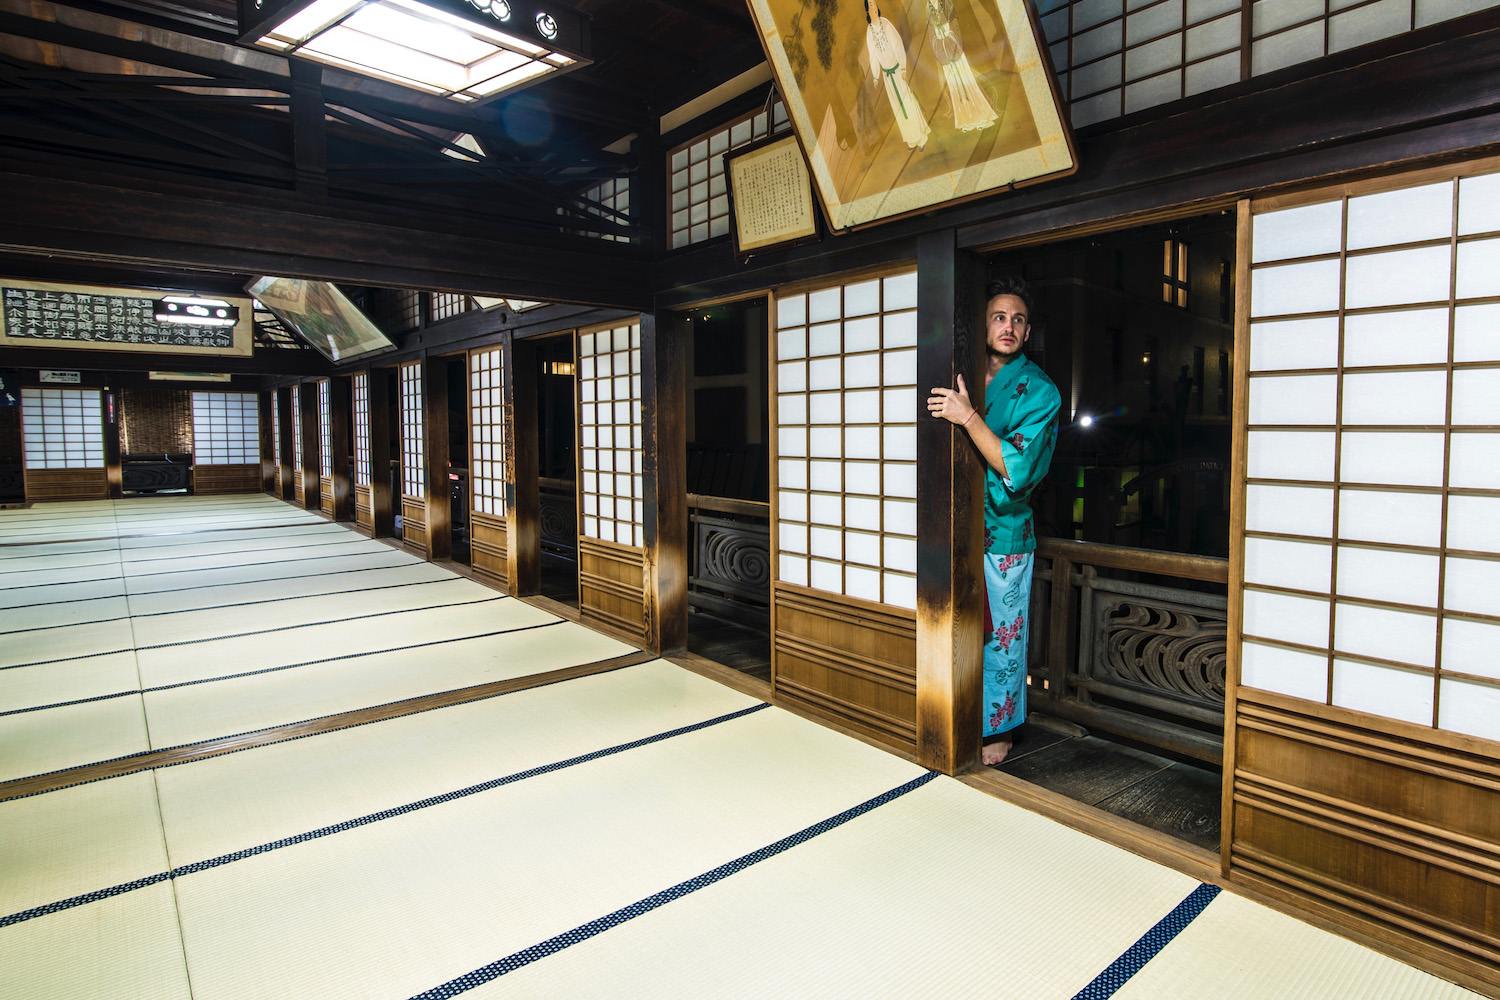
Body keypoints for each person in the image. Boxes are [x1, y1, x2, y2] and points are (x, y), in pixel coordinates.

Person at [926, 276, 1060, 765]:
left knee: (1001, 635)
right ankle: (949, 712)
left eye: (1018, 320)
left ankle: (998, 730)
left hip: (1003, 534)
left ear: (1027, 334)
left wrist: (968, 418)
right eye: (999, 317)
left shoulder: (1040, 391)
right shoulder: (959, 372)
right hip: (950, 527)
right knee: (948, 623)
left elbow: (1016, 467)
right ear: (982, 324)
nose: (1008, 326)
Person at [866, 0, 931, 151]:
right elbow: (873, 55)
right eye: (870, 5)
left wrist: (903, 68)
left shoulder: (886, 25)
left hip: (897, 71)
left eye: (874, 4)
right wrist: (876, 76)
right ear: (867, 11)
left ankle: (921, 138)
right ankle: (911, 140)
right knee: (898, 107)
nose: (874, 7)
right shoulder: (869, 32)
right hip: (887, 77)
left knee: (908, 102)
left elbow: (898, 45)